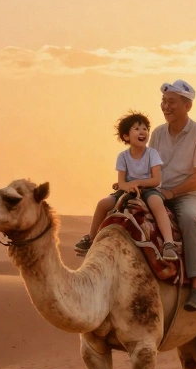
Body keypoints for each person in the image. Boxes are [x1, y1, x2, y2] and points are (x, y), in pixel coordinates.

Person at [74, 112, 179, 261]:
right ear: (126, 137)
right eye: (136, 128)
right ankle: (90, 239)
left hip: (149, 189)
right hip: (127, 190)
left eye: (145, 128)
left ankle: (169, 243)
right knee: (103, 203)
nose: (142, 131)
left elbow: (156, 180)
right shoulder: (123, 156)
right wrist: (128, 187)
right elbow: (121, 182)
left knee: (156, 203)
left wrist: (137, 183)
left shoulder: (152, 154)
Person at [150, 79, 196, 311]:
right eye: (163, 102)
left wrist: (172, 192)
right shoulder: (157, 134)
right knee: (123, 211)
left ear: (187, 106)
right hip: (159, 191)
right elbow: (151, 168)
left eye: (172, 102)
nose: (165, 107)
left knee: (189, 217)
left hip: (191, 193)